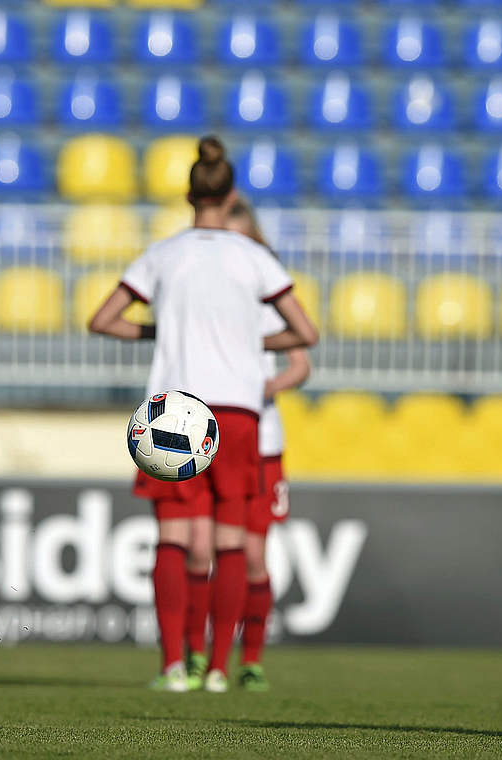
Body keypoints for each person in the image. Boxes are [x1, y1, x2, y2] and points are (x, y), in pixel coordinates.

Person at [89, 136, 318, 693]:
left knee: (174, 537)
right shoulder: (254, 256)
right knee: (232, 541)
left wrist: (159, 330)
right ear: (231, 193)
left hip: (174, 408)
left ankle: (173, 666)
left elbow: (103, 319)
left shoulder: (164, 254)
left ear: (188, 195)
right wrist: (245, 341)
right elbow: (306, 333)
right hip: (239, 411)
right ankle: (219, 668)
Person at [223, 197, 311, 692]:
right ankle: (200, 658)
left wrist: (261, 389)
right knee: (209, 551)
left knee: (252, 557)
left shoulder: (267, 296)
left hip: (261, 442)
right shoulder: (206, 295)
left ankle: (250, 659)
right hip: (211, 441)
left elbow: (299, 365)